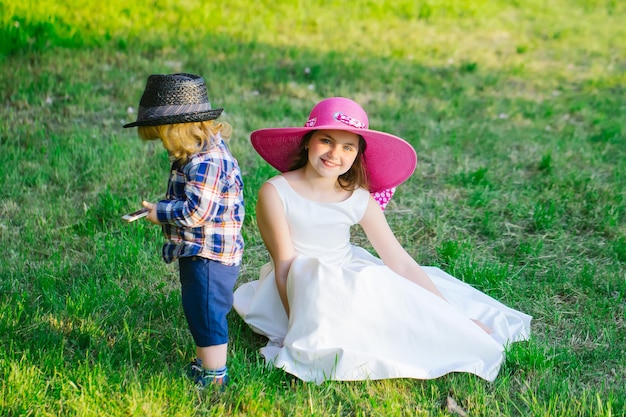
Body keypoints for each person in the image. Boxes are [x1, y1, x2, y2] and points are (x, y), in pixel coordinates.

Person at [233, 97, 531, 383]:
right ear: (308, 140)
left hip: (347, 271)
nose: (335, 154)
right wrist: (293, 323)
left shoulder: (358, 199)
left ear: (356, 155)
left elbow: (399, 261)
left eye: (347, 147)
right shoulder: (276, 191)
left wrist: (455, 316)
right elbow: (285, 263)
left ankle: (453, 325)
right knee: (320, 289)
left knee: (392, 302)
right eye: (326, 140)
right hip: (297, 283)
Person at [123, 73, 244, 388]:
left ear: (179, 131)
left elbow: (196, 211)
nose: (163, 145)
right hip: (199, 251)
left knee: (206, 314)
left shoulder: (207, 163)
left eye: (163, 137)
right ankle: (205, 363)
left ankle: (214, 376)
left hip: (209, 256)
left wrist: (159, 213)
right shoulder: (198, 154)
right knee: (197, 308)